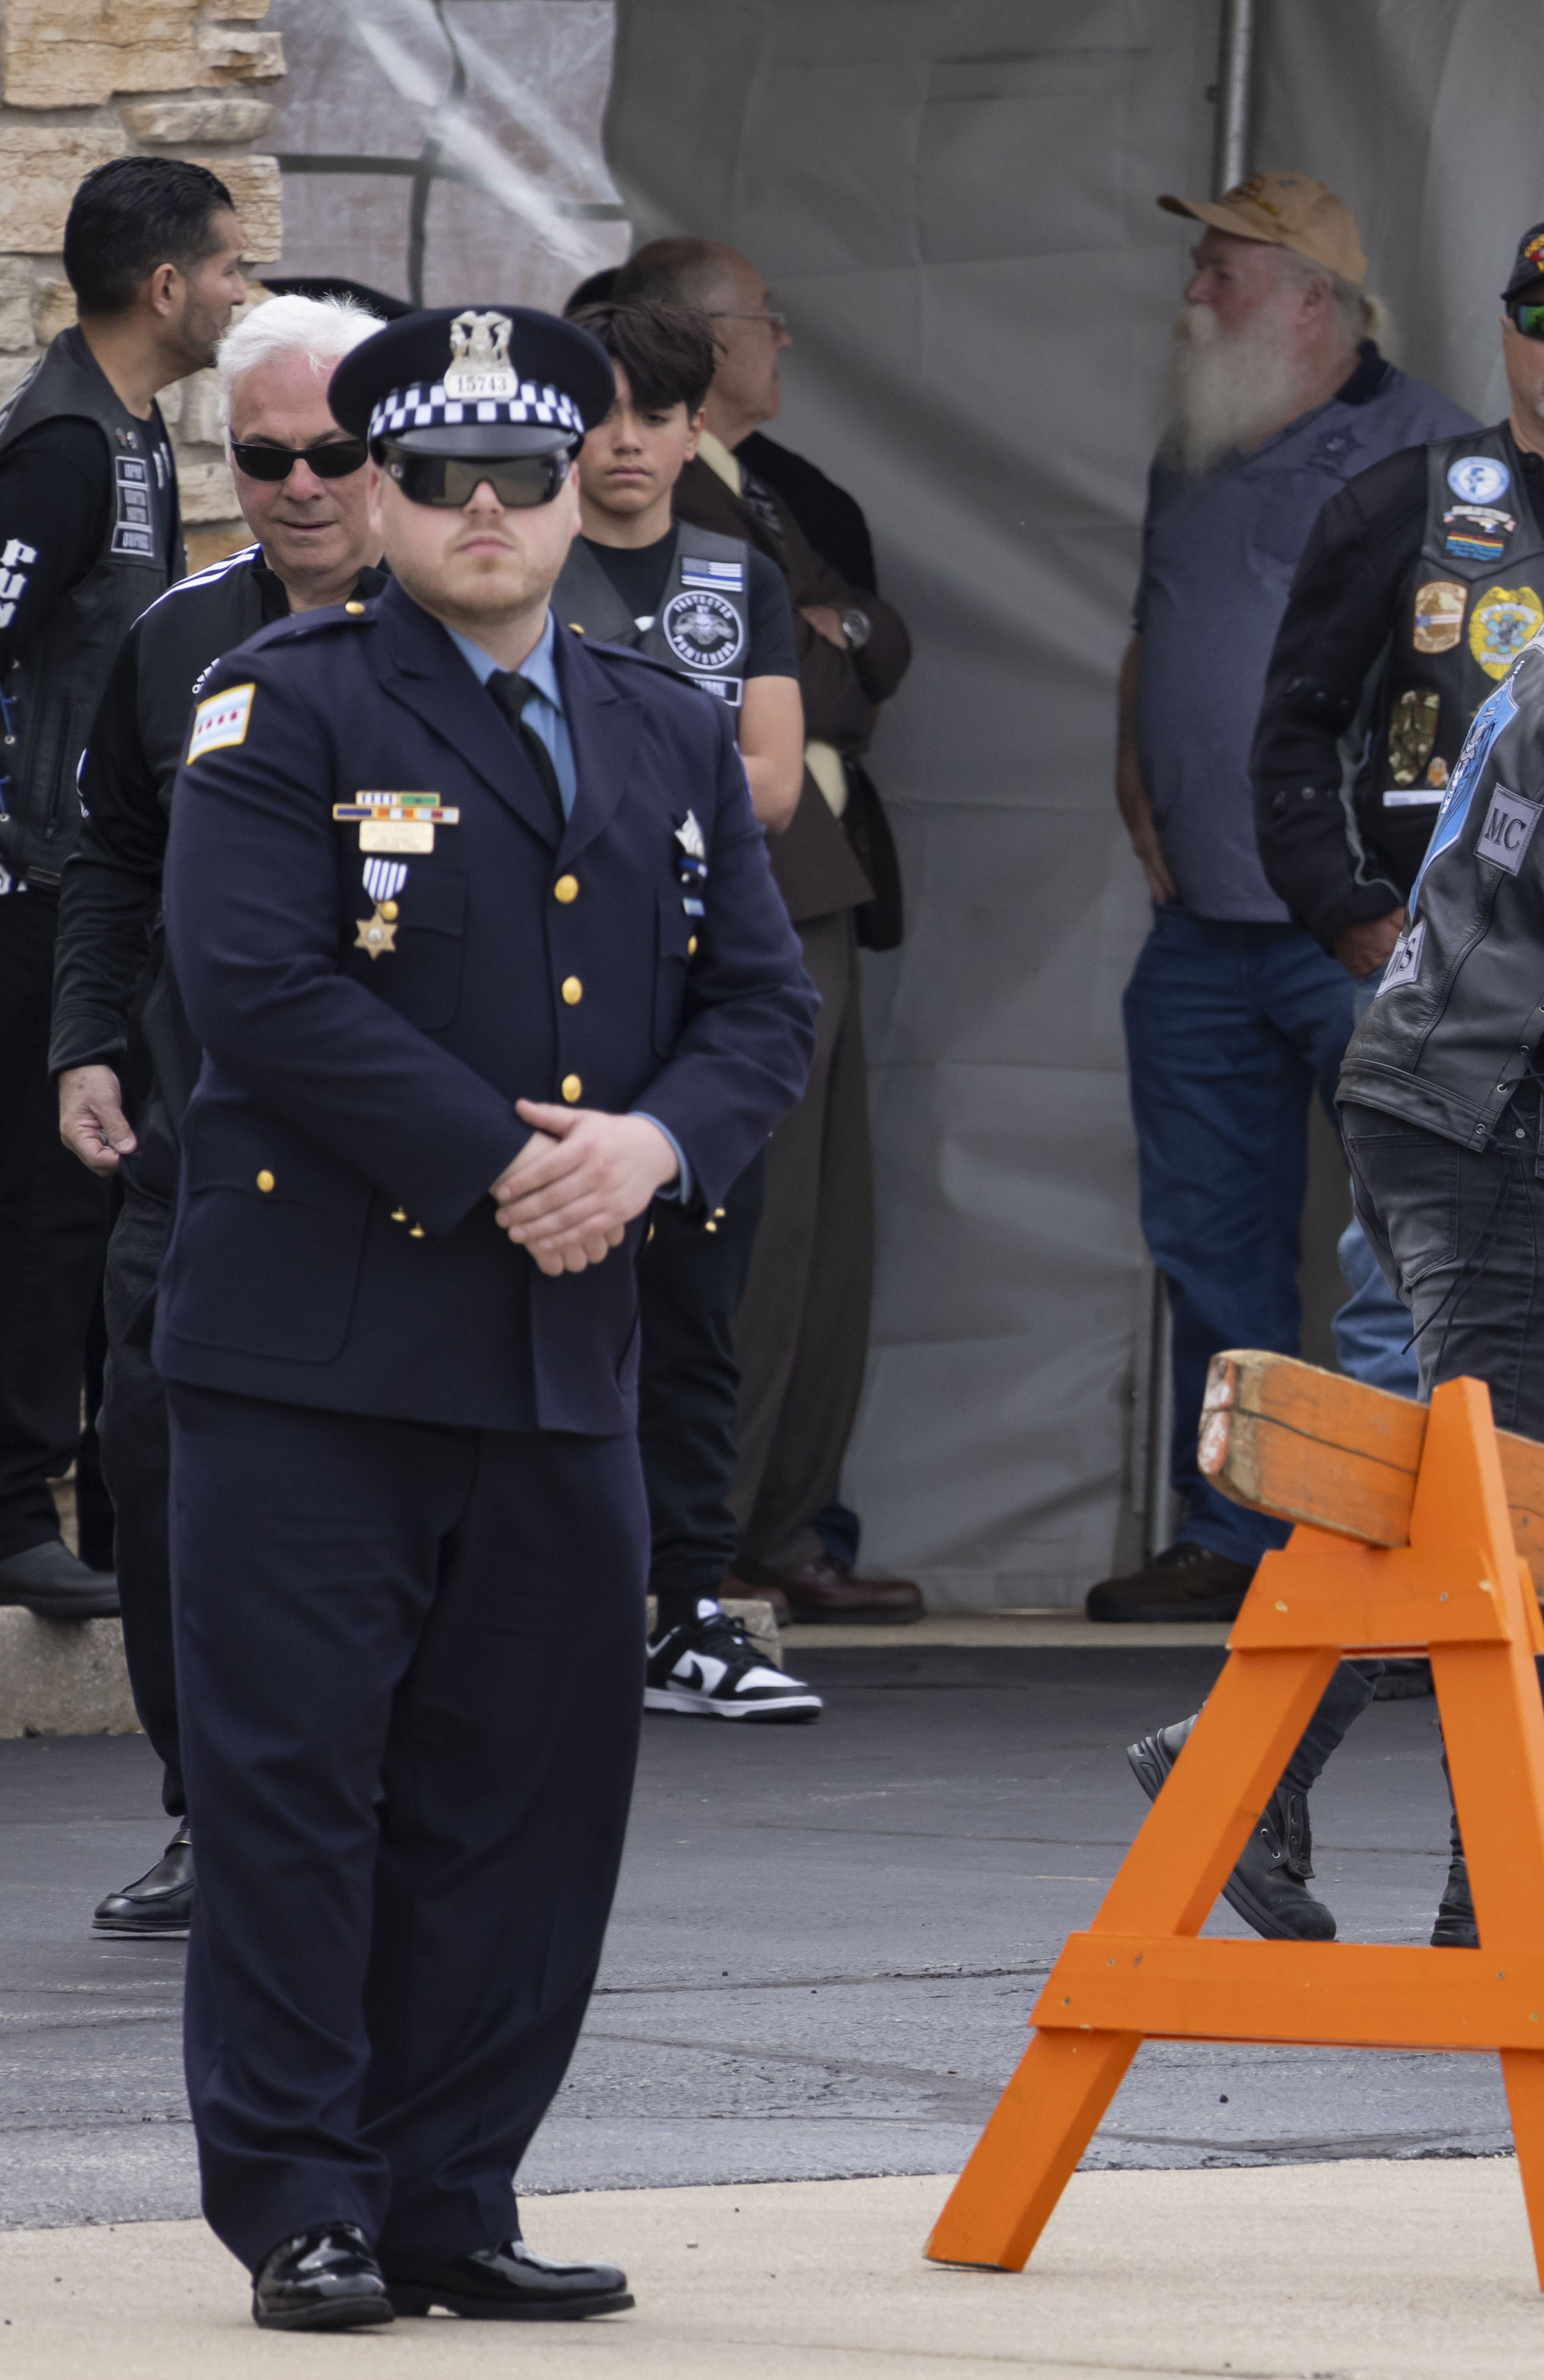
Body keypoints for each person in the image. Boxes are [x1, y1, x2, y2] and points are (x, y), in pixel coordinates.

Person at [156, 303, 815, 2328]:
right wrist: (504, 1157)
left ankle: (453, 2183)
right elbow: (259, 988)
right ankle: (305, 2197)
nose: (484, 513)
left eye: (522, 476)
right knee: (300, 1786)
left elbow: (762, 1003)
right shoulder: (283, 706)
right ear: (378, 489)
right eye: (434, 477)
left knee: (526, 1794)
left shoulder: (661, 719)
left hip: (561, 1351)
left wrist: (649, 1152)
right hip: (319, 1352)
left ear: (571, 492)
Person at [1128, 413, 1544, 1963]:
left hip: (1454, 1093)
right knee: (1502, 1514)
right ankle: (1386, 1828)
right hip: (1524, 1122)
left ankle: (1426, 1835)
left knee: (1458, 1493)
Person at [1228, 211, 1544, 1678]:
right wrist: (1350, 915)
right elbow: (1296, 724)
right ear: (1502, 334)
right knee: (1402, 1290)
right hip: (1452, 981)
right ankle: (1389, 1603)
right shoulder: (1403, 498)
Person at [50, 292, 387, 1938]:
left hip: (405, 1174)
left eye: (336, 453)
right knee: (161, 1483)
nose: (303, 485)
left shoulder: (483, 638)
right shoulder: (177, 635)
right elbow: (108, 855)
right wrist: (84, 1045)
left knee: (381, 1511)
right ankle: (214, 1819)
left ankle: (375, 1814)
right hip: (194, 1155)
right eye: (267, 457)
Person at [1096, 170, 1472, 1622]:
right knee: (1209, 1243)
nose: (1193, 295)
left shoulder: (1434, 451)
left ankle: (1402, 1543)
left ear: (1313, 300)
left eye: (1221, 273)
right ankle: (1239, 1535)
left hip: (1360, 929)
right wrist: (1136, 784)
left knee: (1410, 1244)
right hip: (1196, 928)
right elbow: (1157, 631)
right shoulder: (1190, 445)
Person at [611, 235, 922, 1626]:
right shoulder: (663, 515)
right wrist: (829, 650)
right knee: (751, 1218)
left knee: (822, 1231)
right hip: (732, 895)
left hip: (817, 884)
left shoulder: (770, 497)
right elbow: (825, 691)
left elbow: (879, 652)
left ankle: (779, 1525)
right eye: (762, 324)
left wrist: (833, 635)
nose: (782, 342)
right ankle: (710, 1538)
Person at [558, 294, 825, 1721]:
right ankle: (558, 1597)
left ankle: (693, 1605)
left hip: (703, 980)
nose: (625, 445)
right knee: (552, 1298)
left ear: (695, 426)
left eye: (655, 416)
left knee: (699, 1308)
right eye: (600, 414)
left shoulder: (739, 570)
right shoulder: (518, 565)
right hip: (549, 983)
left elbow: (774, 783)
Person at [0, 156, 244, 1622]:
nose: (236, 292)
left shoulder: (133, 428)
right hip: (30, 887)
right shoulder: (67, 449)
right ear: (164, 287)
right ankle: (10, 1508)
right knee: (38, 1199)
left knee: (80, 1204)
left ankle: (83, 1504)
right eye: (225, 268)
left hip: (90, 872)